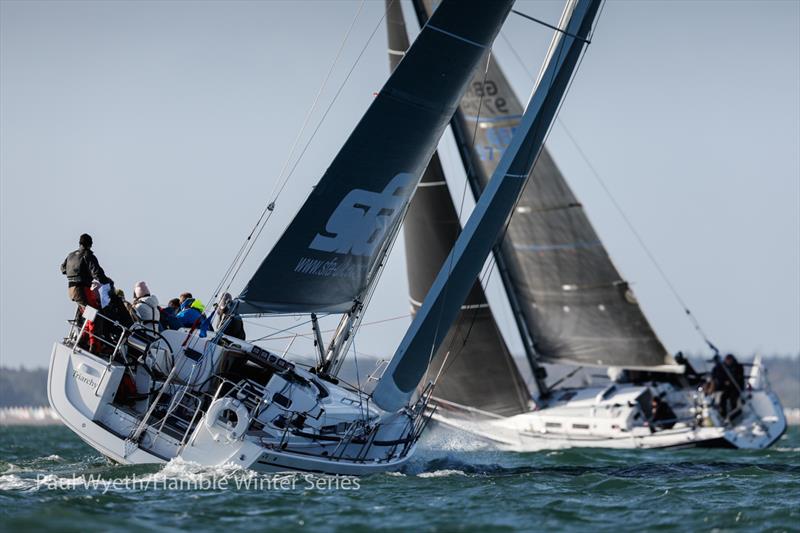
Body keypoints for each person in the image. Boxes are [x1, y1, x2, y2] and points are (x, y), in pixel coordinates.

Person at [712, 354, 745, 419]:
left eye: (729, 360)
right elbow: (718, 375)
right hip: (728, 388)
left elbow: (738, 378)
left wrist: (730, 381)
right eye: (727, 360)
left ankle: (734, 415)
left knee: (733, 399)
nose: (728, 362)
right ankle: (723, 415)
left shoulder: (738, 367)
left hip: (736, 388)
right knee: (722, 397)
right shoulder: (723, 367)